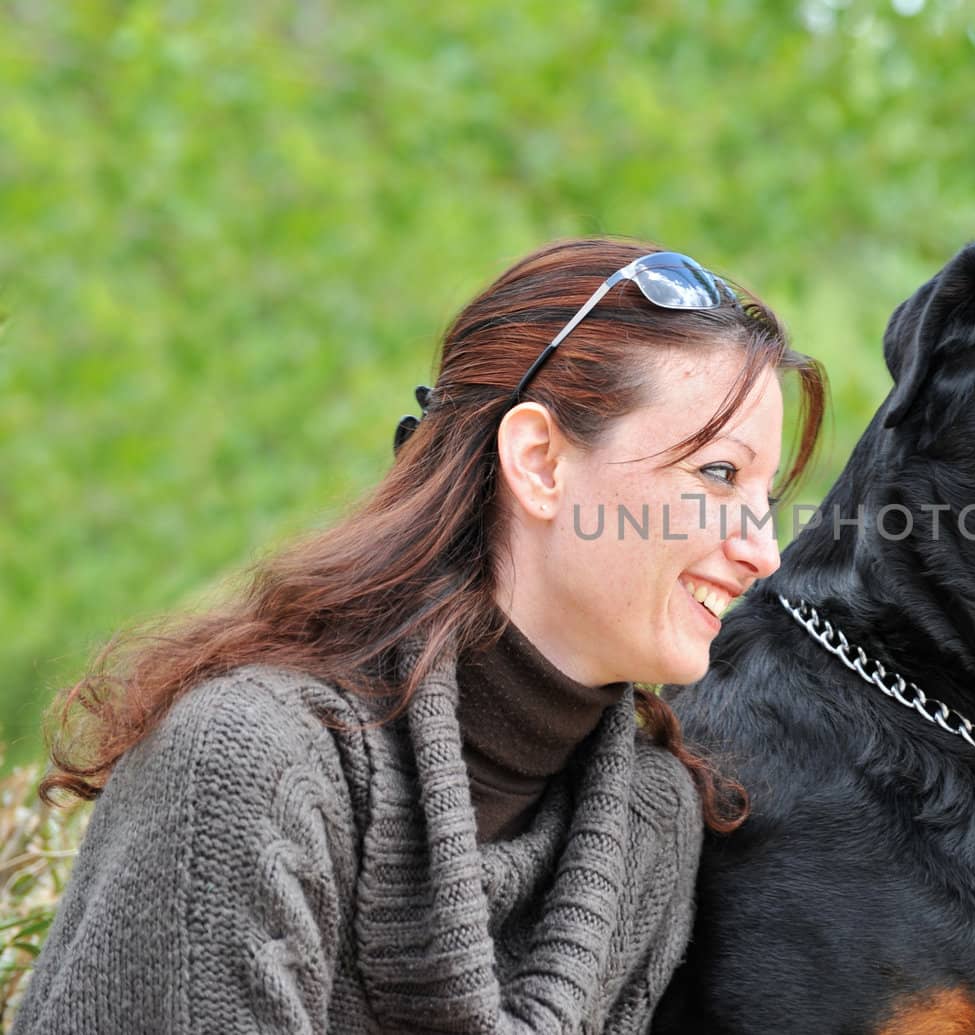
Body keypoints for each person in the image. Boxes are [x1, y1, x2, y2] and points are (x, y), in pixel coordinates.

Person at [15, 239, 826, 1034]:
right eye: (718, 475)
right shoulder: (254, 761)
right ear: (540, 461)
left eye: (765, 492)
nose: (764, 548)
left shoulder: (649, 822)